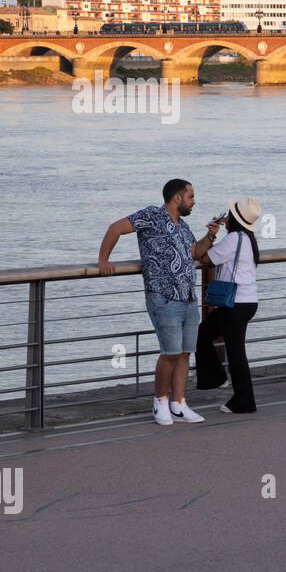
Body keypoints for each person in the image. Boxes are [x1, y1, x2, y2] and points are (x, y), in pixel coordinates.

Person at [98, 179, 221, 425]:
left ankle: (179, 403)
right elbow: (115, 228)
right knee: (170, 353)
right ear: (177, 198)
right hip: (163, 297)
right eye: (191, 197)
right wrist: (103, 260)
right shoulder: (151, 215)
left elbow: (195, 253)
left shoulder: (184, 227)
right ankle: (160, 402)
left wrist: (211, 235)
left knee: (186, 352)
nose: (194, 202)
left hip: (188, 297)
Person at [196, 197, 263, 414]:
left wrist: (211, 233)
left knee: (235, 352)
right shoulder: (248, 239)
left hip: (235, 304)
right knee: (203, 334)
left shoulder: (234, 239)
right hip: (246, 301)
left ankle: (244, 401)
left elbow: (206, 258)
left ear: (233, 219)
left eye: (229, 214)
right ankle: (216, 378)